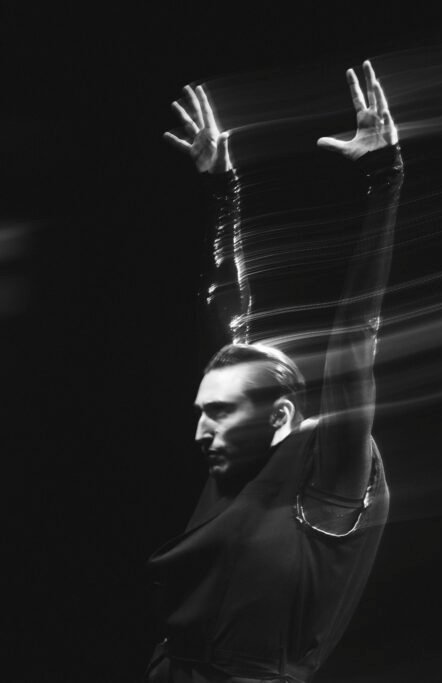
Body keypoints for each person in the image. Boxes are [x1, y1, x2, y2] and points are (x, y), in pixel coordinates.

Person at [146, 60, 403, 683]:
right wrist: (223, 187)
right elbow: (230, 312)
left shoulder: (331, 471)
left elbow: (354, 345)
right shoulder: (247, 458)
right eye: (202, 411)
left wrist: (385, 178)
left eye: (219, 412)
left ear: (281, 416)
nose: (200, 431)